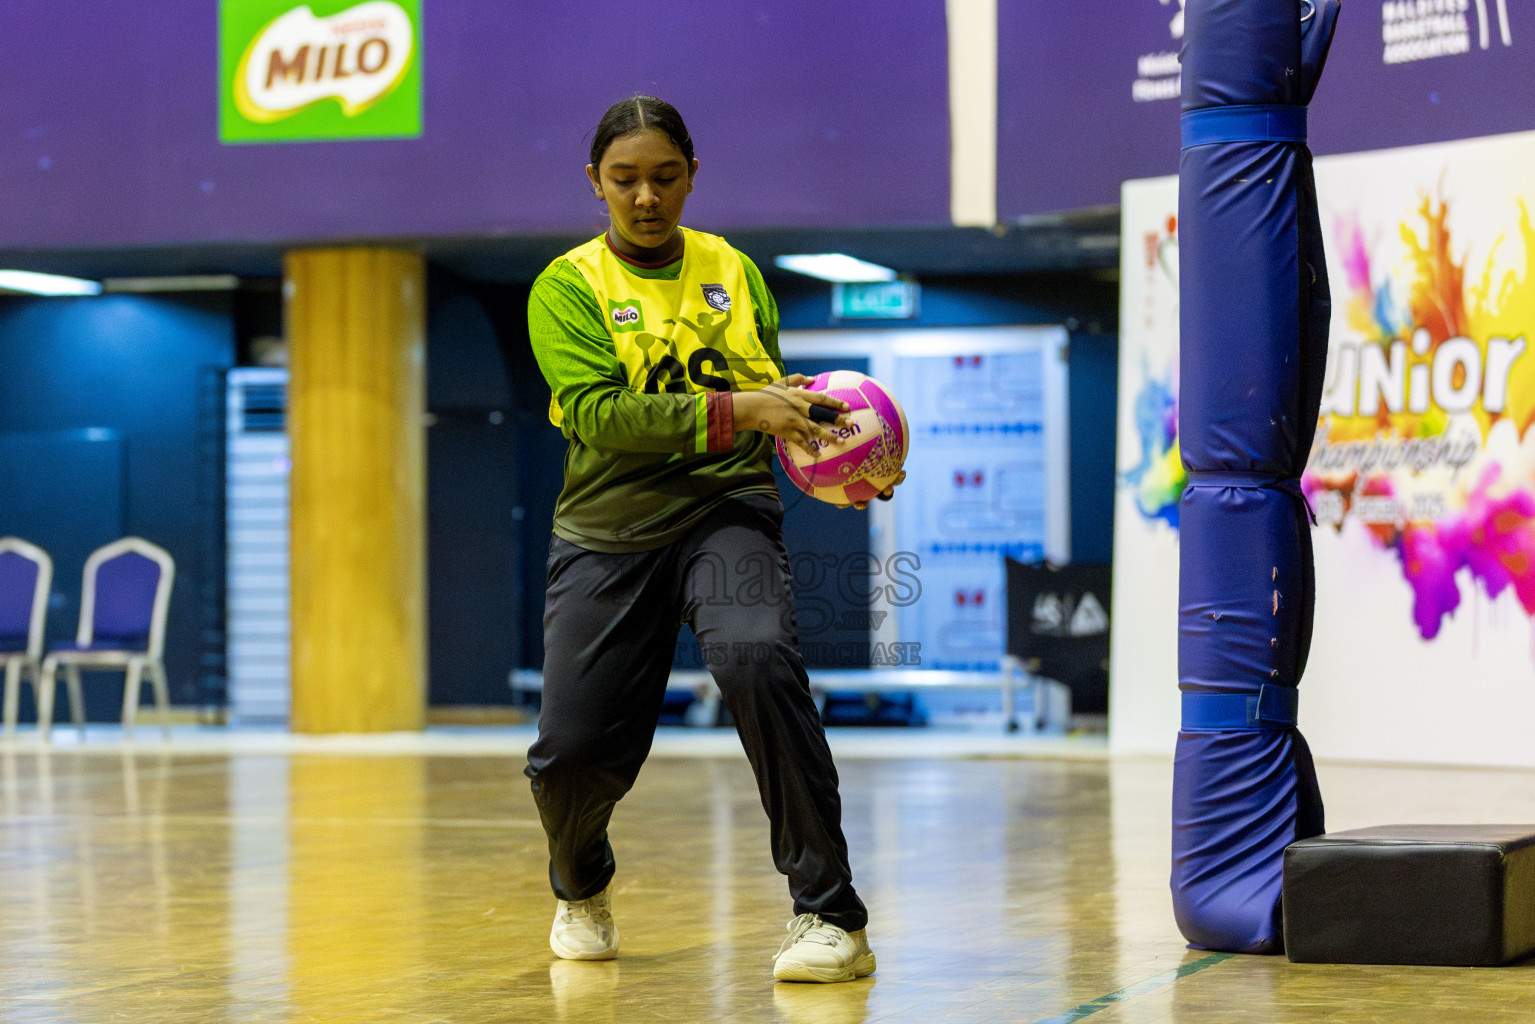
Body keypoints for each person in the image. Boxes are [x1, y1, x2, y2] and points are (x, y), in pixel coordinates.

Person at [524, 95, 899, 984]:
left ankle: (830, 916)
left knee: (759, 663)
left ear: (692, 174)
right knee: (571, 754)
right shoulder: (565, 288)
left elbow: (766, 389)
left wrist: (836, 454)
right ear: (595, 183)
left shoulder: (732, 268)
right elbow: (600, 416)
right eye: (625, 179)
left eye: (664, 176)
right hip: (607, 530)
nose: (646, 196)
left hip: (724, 509)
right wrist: (746, 410)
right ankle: (581, 886)